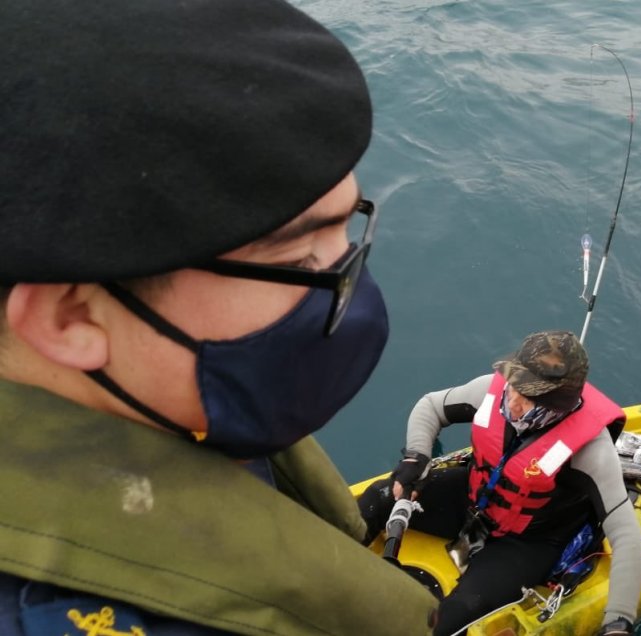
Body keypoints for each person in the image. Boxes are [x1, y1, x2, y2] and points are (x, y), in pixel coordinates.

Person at [0, 0, 437, 633]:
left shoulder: (159, 387)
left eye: (349, 231)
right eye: (299, 256)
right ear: (71, 316)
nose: (349, 283)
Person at [358, 330, 641, 635]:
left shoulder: (593, 452)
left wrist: (618, 622)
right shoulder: (492, 393)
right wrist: (416, 457)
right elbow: (430, 406)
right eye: (513, 385)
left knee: (456, 615)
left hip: (525, 542)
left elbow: (627, 538)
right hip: (470, 501)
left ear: (557, 406)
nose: (513, 401)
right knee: (381, 495)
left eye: (528, 396)